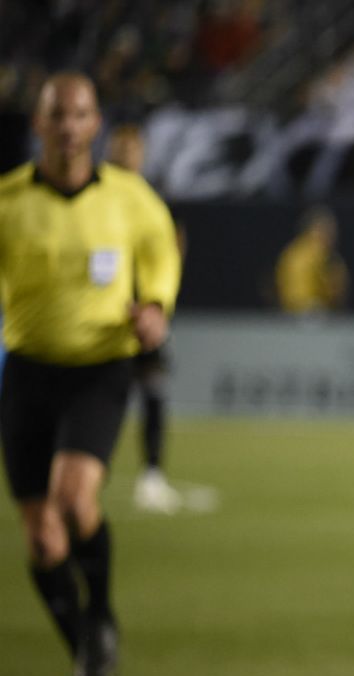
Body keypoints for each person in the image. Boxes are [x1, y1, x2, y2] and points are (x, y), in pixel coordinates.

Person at [0, 72, 180, 676]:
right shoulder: (10, 201)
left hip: (101, 366)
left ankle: (100, 616)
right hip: (27, 371)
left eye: (80, 115)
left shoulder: (129, 198)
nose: (69, 126)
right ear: (38, 124)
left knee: (74, 498)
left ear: (96, 123)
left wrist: (155, 303)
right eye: (57, 115)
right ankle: (83, 646)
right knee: (43, 538)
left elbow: (161, 252)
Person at [103, 122, 188, 514]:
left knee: (153, 393)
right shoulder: (94, 196)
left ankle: (151, 476)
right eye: (120, 148)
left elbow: (162, 257)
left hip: (143, 316)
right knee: (103, 399)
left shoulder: (149, 203)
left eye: (130, 149)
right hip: (100, 319)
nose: (125, 156)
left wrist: (156, 300)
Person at [276, 207, 348, 315]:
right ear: (313, 230)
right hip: (305, 315)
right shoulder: (299, 255)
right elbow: (297, 296)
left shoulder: (330, 258)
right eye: (327, 230)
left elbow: (339, 293)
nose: (333, 235)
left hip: (322, 315)